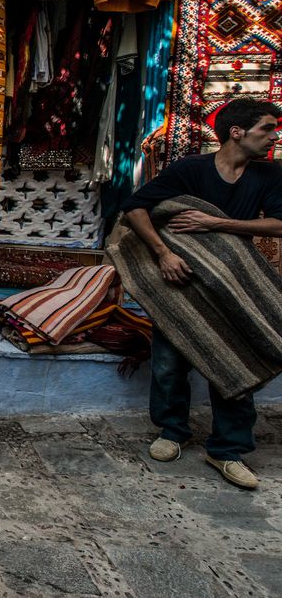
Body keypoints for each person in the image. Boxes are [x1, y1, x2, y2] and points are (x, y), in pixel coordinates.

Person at [120, 97, 282, 490]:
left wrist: (218, 223)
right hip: (180, 281)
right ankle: (172, 432)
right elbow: (135, 208)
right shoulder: (191, 169)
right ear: (237, 132)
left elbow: (279, 225)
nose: (273, 136)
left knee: (235, 359)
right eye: (267, 128)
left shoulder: (269, 175)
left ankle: (227, 449)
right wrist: (163, 254)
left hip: (231, 285)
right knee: (169, 362)